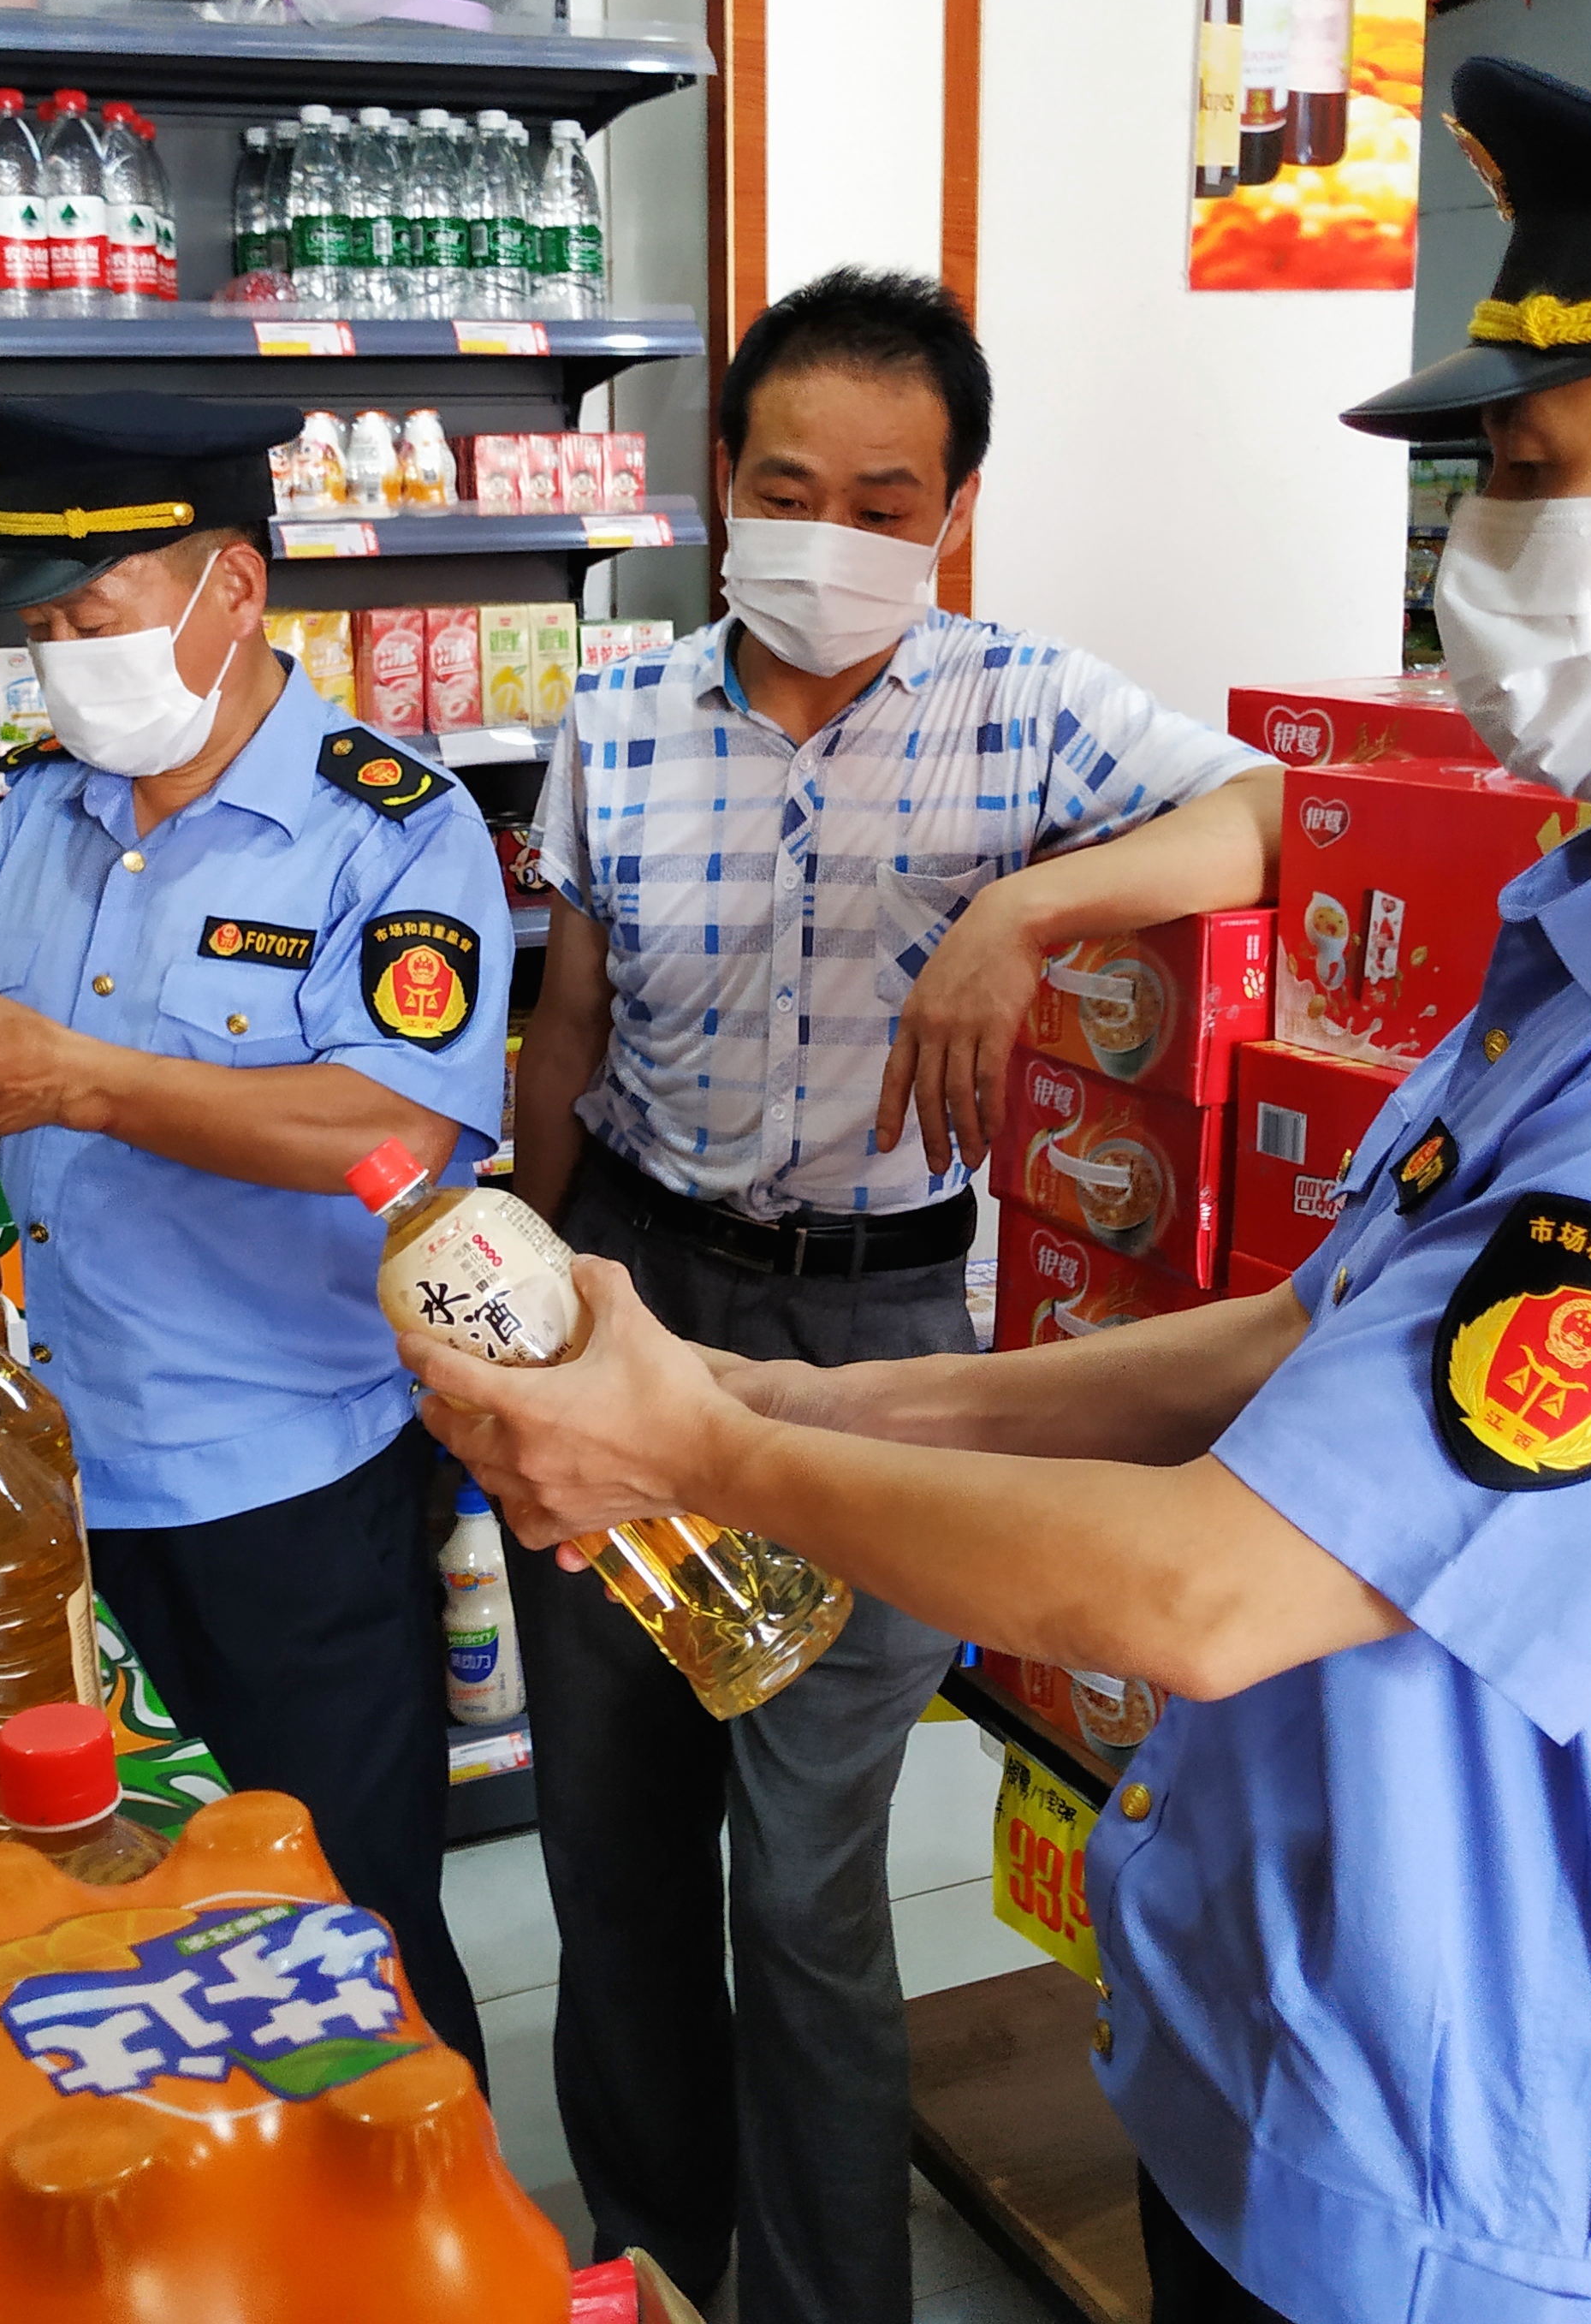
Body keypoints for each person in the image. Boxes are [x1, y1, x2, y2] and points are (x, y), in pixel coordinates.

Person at [408, 62, 1591, 2321]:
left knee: (805, 1892)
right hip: (1307, 2065)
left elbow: (1213, 1593)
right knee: (633, 1878)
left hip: (1489, 2193)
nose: (1472, 558)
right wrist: (766, 1400)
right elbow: (1291, 1345)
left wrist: (706, 1449)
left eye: (1526, 473)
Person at [503, 267, 1282, 2324]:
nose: (829, 538)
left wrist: (1026, 904)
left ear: (952, 513)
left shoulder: (1024, 707)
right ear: (717, 480)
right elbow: (565, 1034)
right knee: (612, 1856)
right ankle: (651, 2267)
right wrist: (513, 1318)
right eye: (788, 490)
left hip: (882, 1328)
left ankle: (825, 2302)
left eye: (883, 502)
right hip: (630, 1287)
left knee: (805, 1883)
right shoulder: (615, 720)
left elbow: (1278, 817)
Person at [0, 391, 512, 2071]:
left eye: (95, 615)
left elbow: (393, 1132)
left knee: (340, 1938)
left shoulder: (392, 827)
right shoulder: (39, 814)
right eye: (42, 633)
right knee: (102, 1941)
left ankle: (420, 2199)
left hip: (278, 1493)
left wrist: (80, 1082)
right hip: (42, 1484)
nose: (66, 662)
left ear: (233, 588)